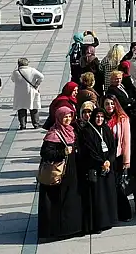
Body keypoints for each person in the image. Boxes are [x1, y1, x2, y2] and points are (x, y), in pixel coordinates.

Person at [37, 106, 83, 240]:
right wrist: (62, 152)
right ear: (58, 118)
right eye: (65, 116)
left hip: (72, 171)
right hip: (59, 173)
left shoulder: (72, 130)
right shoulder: (53, 134)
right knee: (58, 201)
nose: (68, 119)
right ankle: (58, 231)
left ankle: (72, 228)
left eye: (69, 116)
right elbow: (45, 153)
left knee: (71, 200)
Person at [77, 102, 118, 234]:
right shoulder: (87, 132)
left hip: (107, 166)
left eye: (101, 116)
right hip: (96, 167)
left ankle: (109, 220)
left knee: (108, 194)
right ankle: (99, 223)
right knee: (98, 197)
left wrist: (109, 160)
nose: (99, 119)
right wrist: (102, 162)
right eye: (97, 117)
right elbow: (89, 151)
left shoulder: (106, 129)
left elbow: (113, 146)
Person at [11, 57, 44, 130]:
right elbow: (41, 77)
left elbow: (13, 79)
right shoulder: (32, 70)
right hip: (31, 91)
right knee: (34, 107)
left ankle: (23, 125)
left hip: (19, 93)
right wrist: (36, 84)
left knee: (21, 108)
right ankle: (36, 124)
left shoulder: (16, 72)